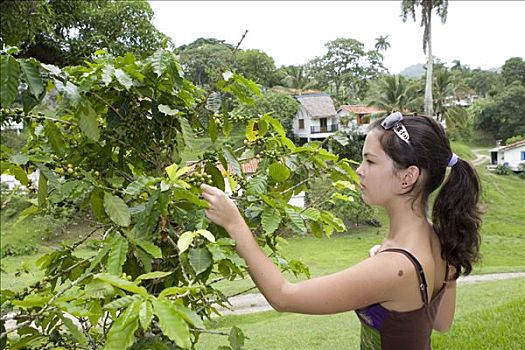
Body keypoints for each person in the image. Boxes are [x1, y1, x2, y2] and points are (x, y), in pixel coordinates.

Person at [200, 112, 482, 350]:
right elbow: (440, 323)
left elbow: (283, 296)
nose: (359, 170)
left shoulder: (396, 266)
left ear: (408, 177)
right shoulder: (437, 240)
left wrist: (234, 223)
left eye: (370, 161)